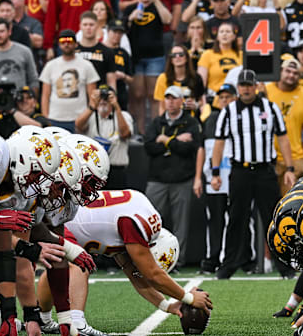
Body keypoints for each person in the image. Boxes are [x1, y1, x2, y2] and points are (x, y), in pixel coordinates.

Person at [64, 190, 213, 317]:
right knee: (77, 265)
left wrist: (167, 306)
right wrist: (189, 298)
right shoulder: (135, 224)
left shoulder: (139, 220)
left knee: (60, 266)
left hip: (67, 216)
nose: (140, 269)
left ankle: (45, 318)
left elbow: (134, 274)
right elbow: (153, 275)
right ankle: (76, 323)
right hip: (64, 220)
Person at [210, 69, 297, 279]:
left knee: (273, 219)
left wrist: (290, 168)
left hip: (265, 170)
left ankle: (284, 266)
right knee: (236, 219)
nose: (246, 89)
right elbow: (219, 143)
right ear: (238, 87)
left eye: (250, 85)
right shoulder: (228, 111)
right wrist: (215, 172)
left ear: (256, 86)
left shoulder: (270, 108)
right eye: (243, 85)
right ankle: (228, 265)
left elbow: (283, 138)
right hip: (240, 170)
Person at [144, 86, 202, 268]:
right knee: (150, 221)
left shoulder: (191, 122)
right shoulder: (157, 122)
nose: (170, 101)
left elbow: (190, 149)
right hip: (157, 179)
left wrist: (165, 140)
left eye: (174, 98)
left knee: (181, 225)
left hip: (182, 179)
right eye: (167, 98)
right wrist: (175, 142)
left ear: (181, 101)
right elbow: (149, 147)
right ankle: (148, 260)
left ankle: (177, 261)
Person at [196, 83, 235, 273]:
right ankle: (213, 259)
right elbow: (203, 149)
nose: (224, 100)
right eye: (222, 97)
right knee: (215, 220)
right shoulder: (211, 119)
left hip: (236, 176)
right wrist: (199, 177)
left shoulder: (240, 117)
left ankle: (236, 258)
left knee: (237, 220)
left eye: (228, 96)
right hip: (215, 178)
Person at [265, 58, 303, 193]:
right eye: (288, 71)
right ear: (280, 71)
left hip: (294, 158)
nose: (291, 75)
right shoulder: (266, 90)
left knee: (289, 206)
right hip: (268, 157)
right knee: (267, 206)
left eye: (295, 73)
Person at [125, 0, 172, 134]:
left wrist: (156, 1)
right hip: (137, 57)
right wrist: (130, 18)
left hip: (155, 56)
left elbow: (167, 20)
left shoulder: (157, 6)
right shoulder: (132, 7)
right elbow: (123, 27)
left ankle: (154, 129)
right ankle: (141, 131)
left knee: (154, 95)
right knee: (139, 95)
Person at [39, 29, 99, 132]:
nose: (66, 44)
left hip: (79, 119)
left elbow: (92, 95)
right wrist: (46, 118)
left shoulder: (87, 66)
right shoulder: (50, 66)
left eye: (70, 41)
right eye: (63, 41)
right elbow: (45, 95)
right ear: (59, 44)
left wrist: (88, 115)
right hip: (54, 118)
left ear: (76, 44)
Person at [76, 85, 133, 189]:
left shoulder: (124, 115)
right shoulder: (90, 115)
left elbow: (125, 134)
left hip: (116, 170)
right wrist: (92, 106)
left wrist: (116, 107)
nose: (103, 100)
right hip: (94, 171)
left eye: (107, 97)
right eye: (100, 97)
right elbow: (78, 126)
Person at [0, 18, 39, 91]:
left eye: (1, 31)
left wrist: (31, 99)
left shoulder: (25, 52)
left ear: (9, 32)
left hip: (20, 98)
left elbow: (33, 80)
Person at [42, 0, 112, 60]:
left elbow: (107, 10)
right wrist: (49, 46)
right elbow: (51, 18)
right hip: (66, 42)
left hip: (90, 41)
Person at [197, 22, 241, 107]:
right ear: (217, 37)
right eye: (221, 32)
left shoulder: (242, 55)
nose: (224, 34)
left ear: (234, 36)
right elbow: (201, 83)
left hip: (237, 99)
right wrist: (203, 104)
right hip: (215, 100)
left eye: (228, 31)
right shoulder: (208, 54)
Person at [154, 45, 204, 115]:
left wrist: (195, 105)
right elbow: (162, 106)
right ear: (171, 60)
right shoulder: (163, 78)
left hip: (191, 120)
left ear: (186, 58)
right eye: (174, 55)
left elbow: (202, 101)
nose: (177, 57)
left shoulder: (196, 77)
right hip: (171, 119)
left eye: (181, 54)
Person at [77, 11, 117, 90]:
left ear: (97, 26)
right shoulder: (72, 50)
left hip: (99, 97)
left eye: (91, 25)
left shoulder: (107, 52)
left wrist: (113, 97)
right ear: (80, 26)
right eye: (85, 25)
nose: (88, 27)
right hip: (77, 97)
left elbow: (111, 82)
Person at [104, 19, 133, 111]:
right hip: (103, 92)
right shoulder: (100, 50)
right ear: (108, 31)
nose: (117, 35)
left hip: (121, 93)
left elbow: (131, 79)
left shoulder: (124, 53)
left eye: (120, 33)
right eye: (114, 32)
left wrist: (123, 76)